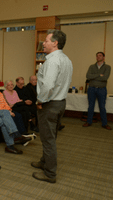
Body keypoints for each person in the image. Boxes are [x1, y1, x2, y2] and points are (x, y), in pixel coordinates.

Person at [31, 29, 73, 183]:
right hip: (60, 103)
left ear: (55, 43)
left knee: (48, 139)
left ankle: (50, 174)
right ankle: (44, 162)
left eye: (47, 40)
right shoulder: (66, 60)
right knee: (50, 137)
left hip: (49, 104)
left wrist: (40, 101)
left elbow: (48, 86)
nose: (43, 43)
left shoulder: (53, 61)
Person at [0, 78, 36, 144]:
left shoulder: (0, 93)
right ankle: (16, 136)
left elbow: (5, 104)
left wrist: (9, 110)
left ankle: (23, 134)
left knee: (18, 115)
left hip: (4, 111)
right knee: (12, 117)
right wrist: (8, 112)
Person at [83, 52, 112, 130]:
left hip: (102, 89)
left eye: (100, 56)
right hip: (91, 89)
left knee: (102, 107)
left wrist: (94, 76)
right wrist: (99, 75)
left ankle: (104, 124)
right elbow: (88, 76)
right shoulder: (92, 66)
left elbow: (105, 78)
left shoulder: (107, 67)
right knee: (90, 106)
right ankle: (88, 122)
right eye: (97, 56)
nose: (98, 57)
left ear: (103, 57)